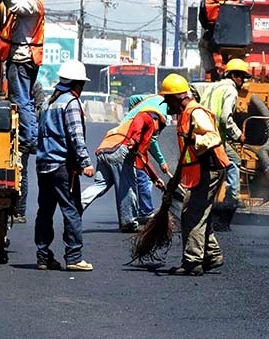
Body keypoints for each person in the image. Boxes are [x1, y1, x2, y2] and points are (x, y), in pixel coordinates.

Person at [0, 0, 45, 223]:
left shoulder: (33, 4)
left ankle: (30, 138)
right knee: (19, 100)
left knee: (22, 100)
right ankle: (28, 135)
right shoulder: (28, 1)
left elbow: (16, 7)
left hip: (22, 59)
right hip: (22, 58)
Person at [160, 73, 230, 276]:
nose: (166, 104)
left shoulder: (195, 112)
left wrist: (195, 141)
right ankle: (212, 255)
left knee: (193, 215)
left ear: (178, 97)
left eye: (168, 99)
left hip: (210, 169)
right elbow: (187, 154)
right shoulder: (185, 114)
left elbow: (212, 137)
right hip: (202, 169)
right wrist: (175, 180)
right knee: (197, 213)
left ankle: (192, 262)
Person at [34, 59, 95, 271]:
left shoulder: (48, 102)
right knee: (72, 210)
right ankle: (74, 257)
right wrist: (85, 162)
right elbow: (75, 136)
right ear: (78, 84)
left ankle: (43, 257)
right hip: (61, 166)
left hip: (43, 165)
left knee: (45, 211)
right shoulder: (71, 103)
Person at [80, 103, 166, 232]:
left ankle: (78, 204)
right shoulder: (146, 117)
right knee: (127, 187)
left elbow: (142, 158)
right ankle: (129, 222)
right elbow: (140, 120)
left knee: (100, 184)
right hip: (119, 150)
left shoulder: (127, 126)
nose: (157, 132)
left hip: (104, 150)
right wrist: (135, 140)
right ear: (156, 119)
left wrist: (155, 178)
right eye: (160, 128)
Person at [199, 58, 251, 221]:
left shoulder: (212, 86)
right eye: (242, 77)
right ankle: (231, 199)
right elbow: (225, 118)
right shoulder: (231, 91)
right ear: (234, 75)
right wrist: (238, 135)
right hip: (215, 137)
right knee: (233, 161)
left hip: (201, 135)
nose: (243, 81)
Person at [125, 94, 171, 223]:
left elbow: (133, 98)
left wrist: (131, 113)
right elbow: (152, 141)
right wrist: (161, 161)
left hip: (130, 144)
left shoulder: (153, 99)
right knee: (143, 179)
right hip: (129, 146)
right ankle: (145, 211)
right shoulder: (151, 117)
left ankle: (136, 213)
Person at [198, 0, 240, 81]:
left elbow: (203, 22)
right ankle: (237, 72)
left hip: (215, 39)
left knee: (202, 44)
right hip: (236, 40)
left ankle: (211, 72)